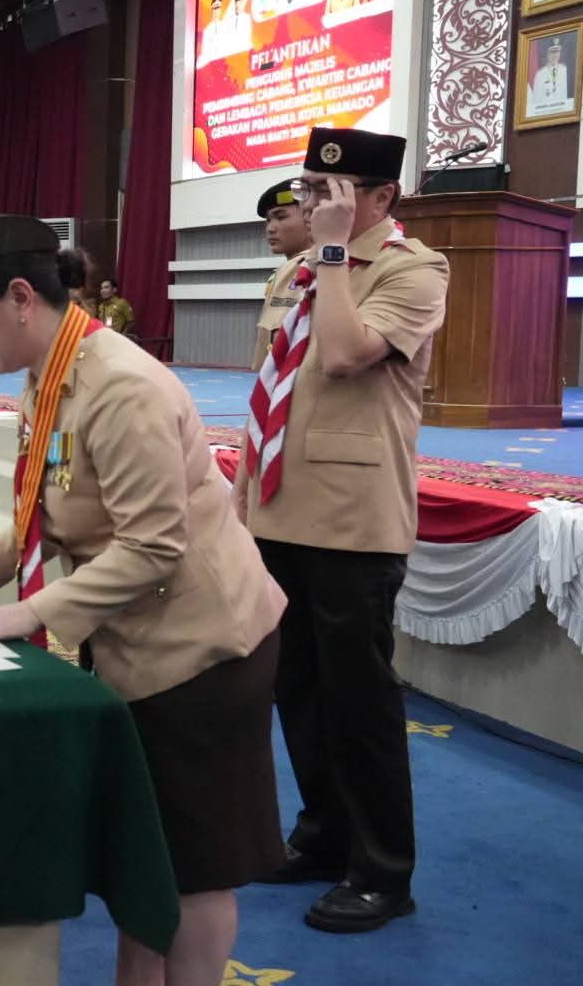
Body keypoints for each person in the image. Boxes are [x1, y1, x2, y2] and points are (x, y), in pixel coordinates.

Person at [0, 216, 285, 986]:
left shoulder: (121, 388)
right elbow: (49, 506)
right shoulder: (52, 369)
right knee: (148, 856)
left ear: (21, 297)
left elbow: (153, 545)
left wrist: (34, 611)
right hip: (137, 640)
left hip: (202, 651)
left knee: (196, 867)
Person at [236, 128, 448, 933]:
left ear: (382, 196)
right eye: (307, 189)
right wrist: (242, 502)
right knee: (296, 689)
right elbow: (270, 390)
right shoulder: (296, 270)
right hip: (279, 506)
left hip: (354, 520)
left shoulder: (412, 269)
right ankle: (324, 836)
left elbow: (345, 355)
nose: (311, 203)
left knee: (360, 704)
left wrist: (330, 257)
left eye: (330, 191)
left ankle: (383, 871)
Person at [256, 178, 315, 372]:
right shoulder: (286, 270)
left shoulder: (314, 267)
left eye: (281, 217)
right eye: (268, 220)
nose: (270, 228)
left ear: (311, 217)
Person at [529, 39, 573, 117]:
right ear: (547, 54)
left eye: (557, 52)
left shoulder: (565, 70)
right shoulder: (540, 74)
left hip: (564, 113)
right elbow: (536, 99)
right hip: (546, 114)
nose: (555, 55)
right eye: (552, 52)